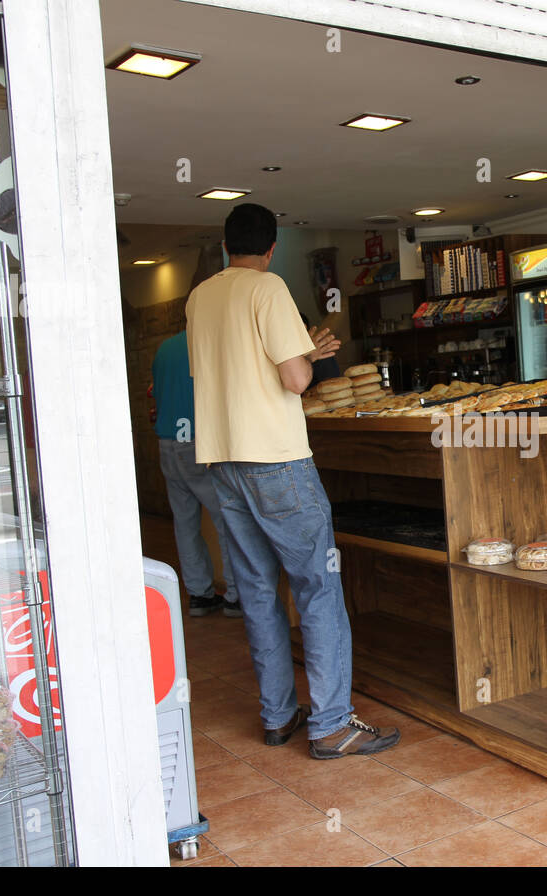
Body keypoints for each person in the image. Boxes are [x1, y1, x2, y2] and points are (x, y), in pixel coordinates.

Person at [186, 202, 400, 758]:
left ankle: (278, 717)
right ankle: (330, 724)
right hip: (276, 459)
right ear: (272, 246)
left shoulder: (201, 297)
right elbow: (296, 379)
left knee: (258, 591)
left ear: (227, 244)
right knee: (317, 588)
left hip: (223, 461)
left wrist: (301, 348)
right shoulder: (268, 288)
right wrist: (307, 354)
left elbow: (228, 371)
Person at [152, 330, 242, 617]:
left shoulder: (165, 346)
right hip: (197, 441)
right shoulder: (207, 341)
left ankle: (200, 595)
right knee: (227, 519)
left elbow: (157, 392)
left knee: (185, 523)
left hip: (168, 441)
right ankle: (235, 596)